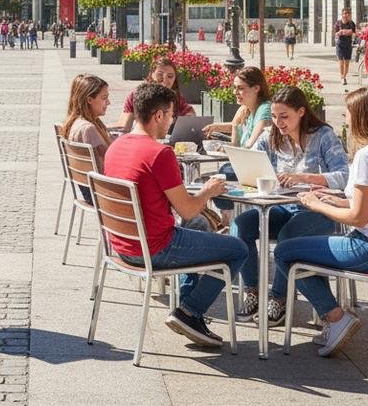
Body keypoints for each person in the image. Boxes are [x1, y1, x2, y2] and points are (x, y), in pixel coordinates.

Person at [103, 82, 248, 348]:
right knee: (237, 249)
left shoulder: (116, 146)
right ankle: (190, 310)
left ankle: (187, 313)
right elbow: (188, 208)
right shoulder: (159, 153)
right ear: (158, 115)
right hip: (156, 247)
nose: (171, 122)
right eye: (170, 116)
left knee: (199, 226)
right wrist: (208, 191)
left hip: (122, 246)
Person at [273, 88, 368, 357]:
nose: (345, 120)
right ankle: (333, 318)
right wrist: (333, 199)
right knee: (304, 251)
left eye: (347, 114)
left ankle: (337, 318)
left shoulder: (367, 156)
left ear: (361, 117)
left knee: (285, 252)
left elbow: (358, 218)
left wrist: (317, 205)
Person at [231, 86, 350, 325]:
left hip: (319, 209)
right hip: (282, 206)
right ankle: (253, 290)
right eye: (274, 117)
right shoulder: (271, 135)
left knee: (288, 236)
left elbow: (344, 176)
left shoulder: (323, 135)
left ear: (301, 112)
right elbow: (250, 163)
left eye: (284, 116)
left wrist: (304, 178)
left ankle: (279, 298)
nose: (279, 123)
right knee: (241, 225)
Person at [61, 74, 110, 201]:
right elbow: (110, 158)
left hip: (87, 189)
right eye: (104, 98)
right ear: (89, 100)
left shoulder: (74, 122)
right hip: (101, 195)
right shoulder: (88, 129)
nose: (108, 102)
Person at [118, 57, 196, 132]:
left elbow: (191, 114)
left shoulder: (177, 98)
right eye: (160, 74)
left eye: (170, 76)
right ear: (152, 74)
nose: (165, 80)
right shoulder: (137, 95)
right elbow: (124, 126)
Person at [202, 66, 273, 149]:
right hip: (242, 155)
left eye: (240, 88)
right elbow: (235, 126)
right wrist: (214, 127)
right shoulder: (245, 108)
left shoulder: (265, 108)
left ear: (256, 88)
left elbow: (251, 145)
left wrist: (228, 149)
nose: (235, 92)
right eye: (235, 88)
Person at [334, 8, 356, 87]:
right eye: (344, 13)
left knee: (346, 63)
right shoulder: (338, 23)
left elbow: (354, 33)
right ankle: (342, 77)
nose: (346, 15)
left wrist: (350, 33)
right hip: (340, 44)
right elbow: (335, 34)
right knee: (341, 62)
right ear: (342, 14)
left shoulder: (352, 23)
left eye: (348, 13)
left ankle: (344, 76)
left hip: (348, 44)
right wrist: (340, 32)